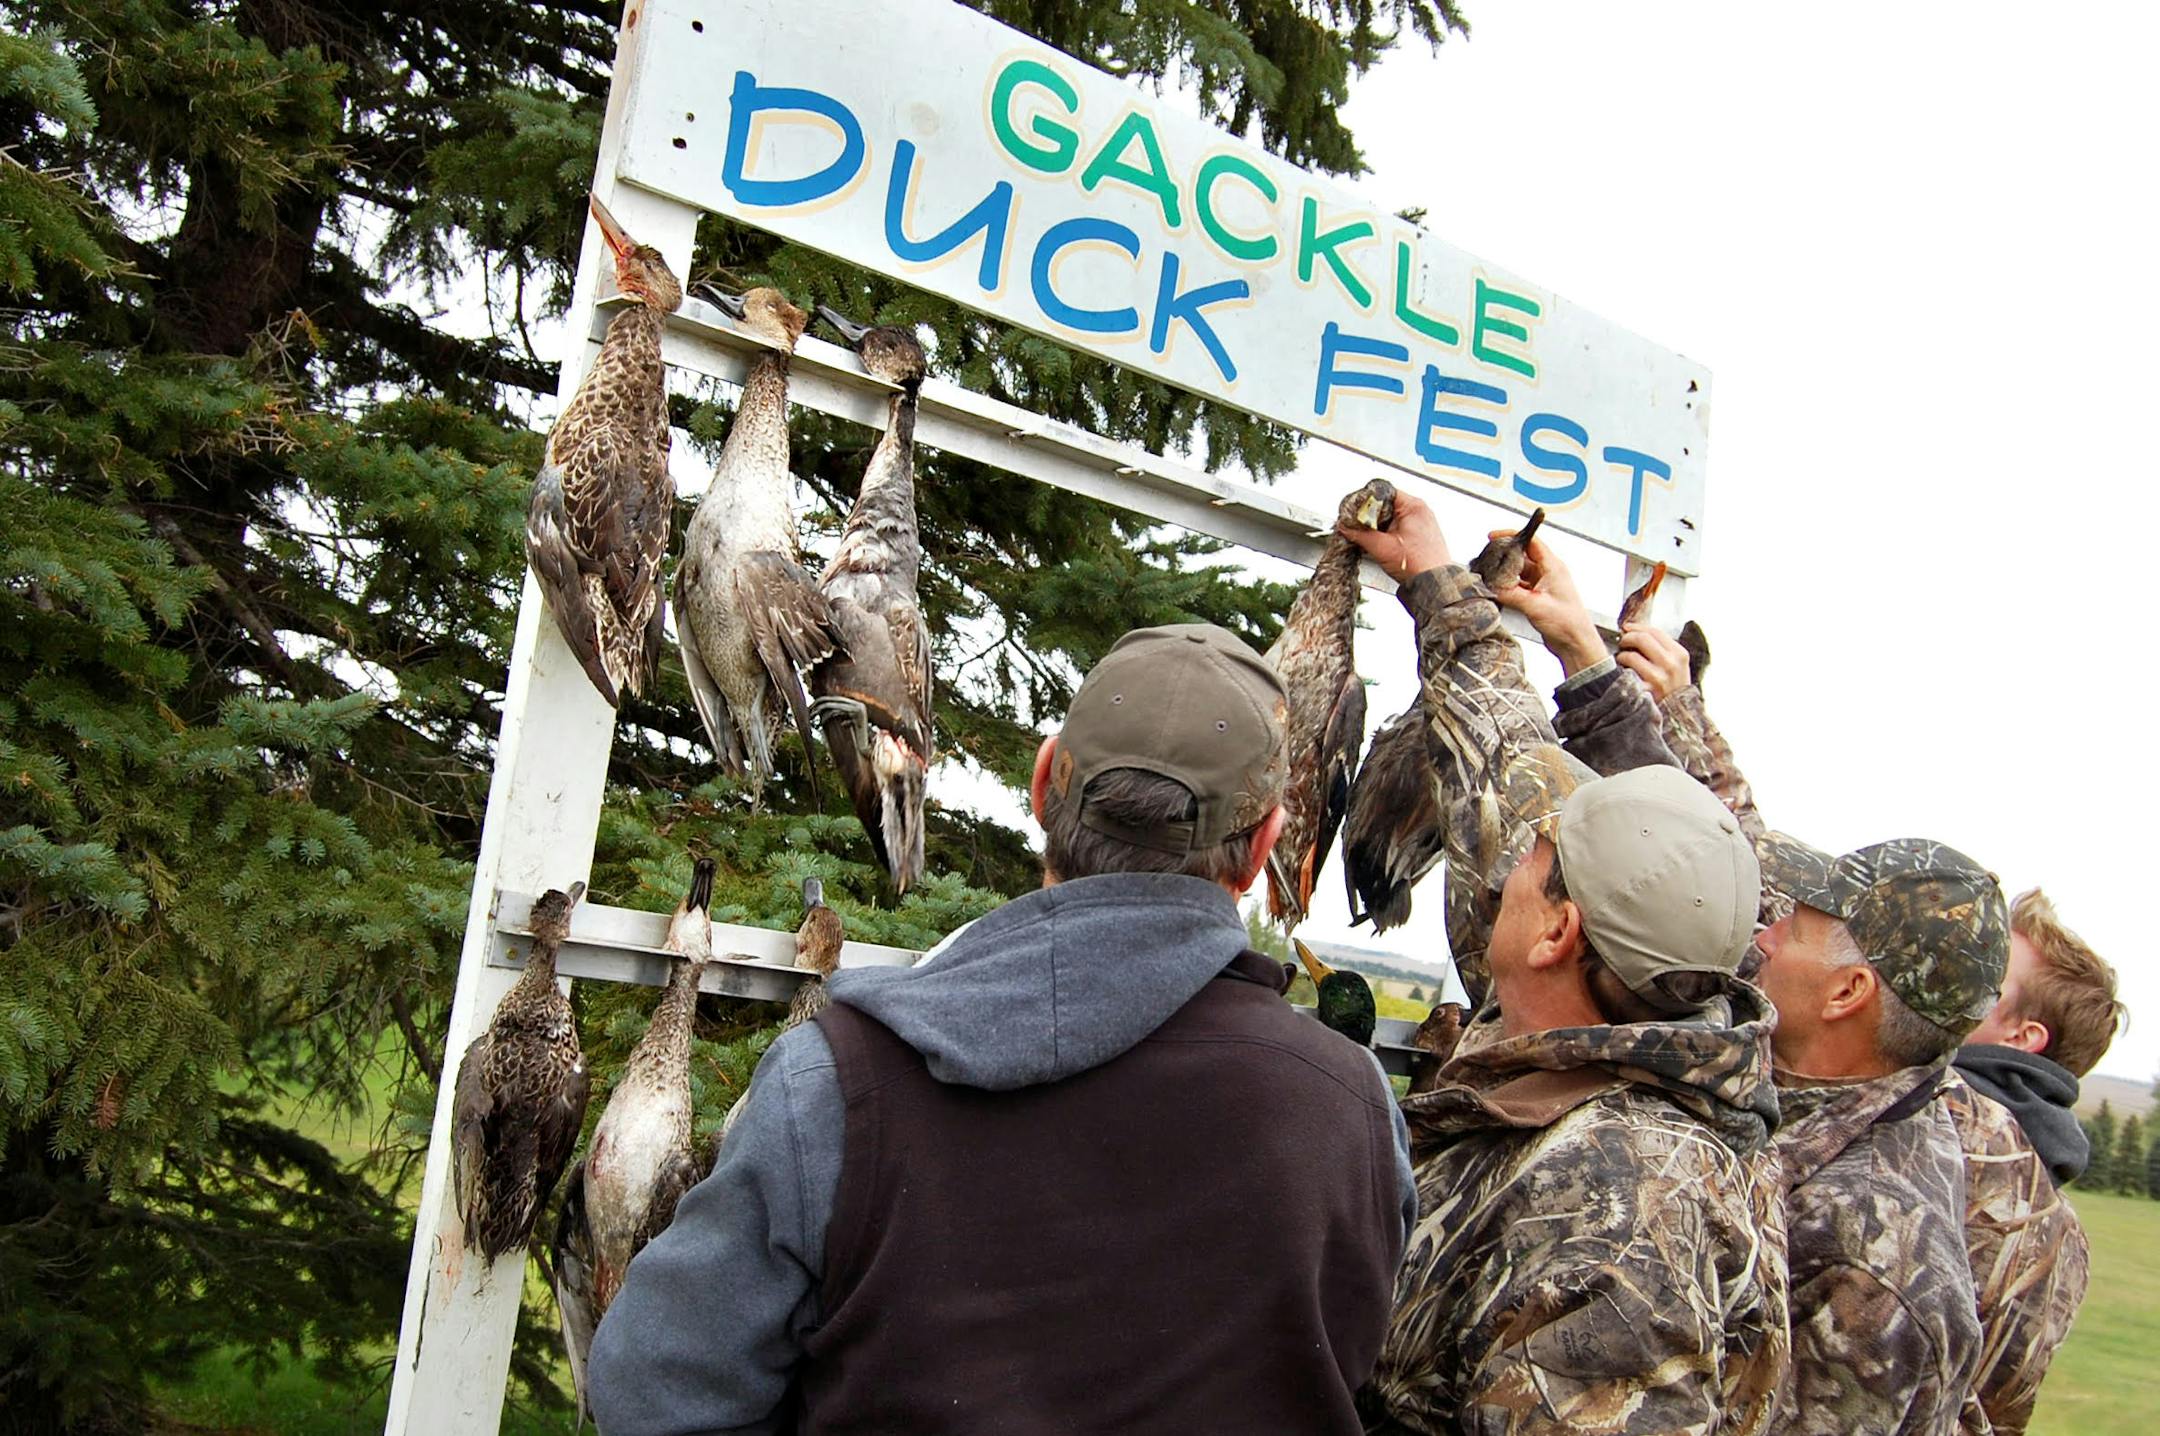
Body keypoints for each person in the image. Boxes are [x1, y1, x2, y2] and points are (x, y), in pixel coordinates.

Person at [587, 623, 1417, 1436]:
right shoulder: (1356, 1114)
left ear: (1044, 780)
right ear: (1264, 842)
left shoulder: (839, 1084)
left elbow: (654, 1397)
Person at [1343, 500, 1789, 1436]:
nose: (1501, 871)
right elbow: (1507, 761)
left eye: (1529, 864)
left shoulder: (1624, 1220)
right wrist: (1445, 584)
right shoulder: (1608, 1018)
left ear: (1556, 932)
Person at [1622, 621, 2119, 1432]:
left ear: (1854, 991)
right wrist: (1660, 703)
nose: (1767, 933)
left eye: (1992, 985)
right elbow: (1747, 859)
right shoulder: (1869, 1091)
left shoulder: (1897, 1233)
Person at [1751, 834, 2008, 1436]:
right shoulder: (1881, 1107)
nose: (1765, 937)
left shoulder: (1869, 1265)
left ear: (1847, 992)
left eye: (1794, 930)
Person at [1940, 888, 2121, 1433]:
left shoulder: (1925, 1123)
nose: (1958, 972)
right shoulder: (2066, 1233)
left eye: (1988, 971)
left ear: (2022, 1037)